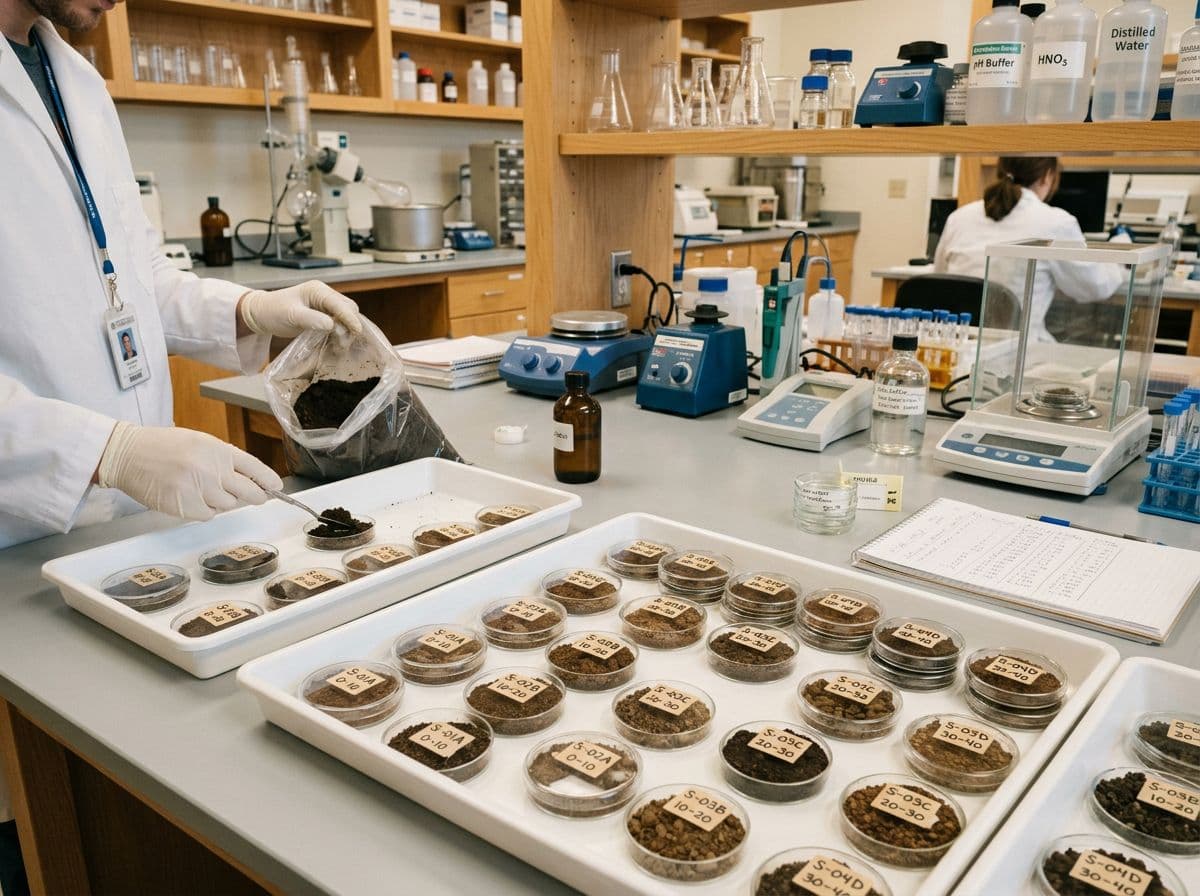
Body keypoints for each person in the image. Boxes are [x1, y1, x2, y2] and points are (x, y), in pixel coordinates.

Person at [1, 0, 368, 876]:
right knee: (38, 819)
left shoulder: (74, 77)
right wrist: (104, 450)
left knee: (127, 800)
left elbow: (125, 271)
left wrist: (243, 307)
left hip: (111, 540)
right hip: (13, 542)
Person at [934, 156, 1126, 343]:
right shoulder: (1056, 223)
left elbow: (941, 275)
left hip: (958, 348)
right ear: (1047, 176)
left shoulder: (959, 217)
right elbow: (1096, 286)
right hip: (1014, 355)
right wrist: (1119, 254)